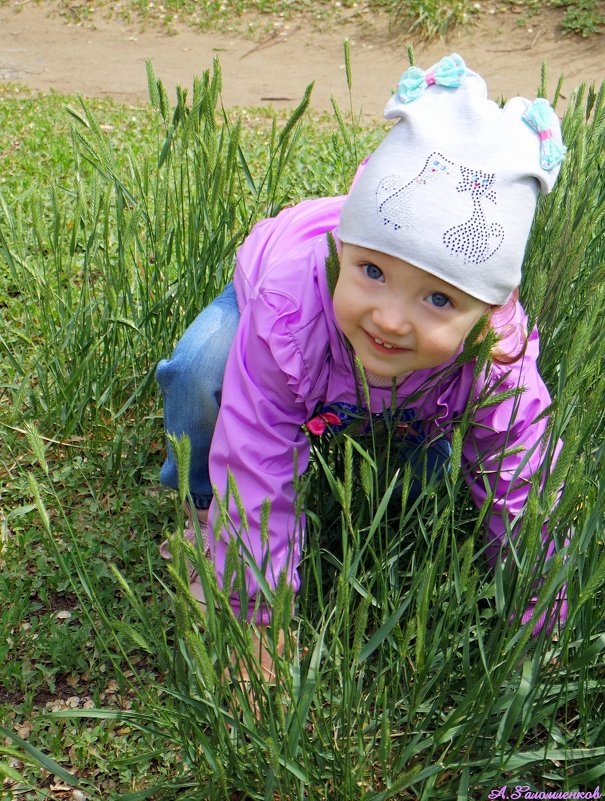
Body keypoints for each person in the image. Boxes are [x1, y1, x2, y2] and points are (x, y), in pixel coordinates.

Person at [156, 54, 568, 676]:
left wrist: (542, 611)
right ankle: (201, 511)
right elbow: (257, 459)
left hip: (409, 390)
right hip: (279, 312)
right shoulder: (287, 313)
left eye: (438, 298)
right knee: (202, 371)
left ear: (486, 310)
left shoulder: (496, 356)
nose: (390, 319)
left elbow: (522, 483)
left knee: (418, 483)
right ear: (344, 252)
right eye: (371, 272)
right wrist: (255, 622)